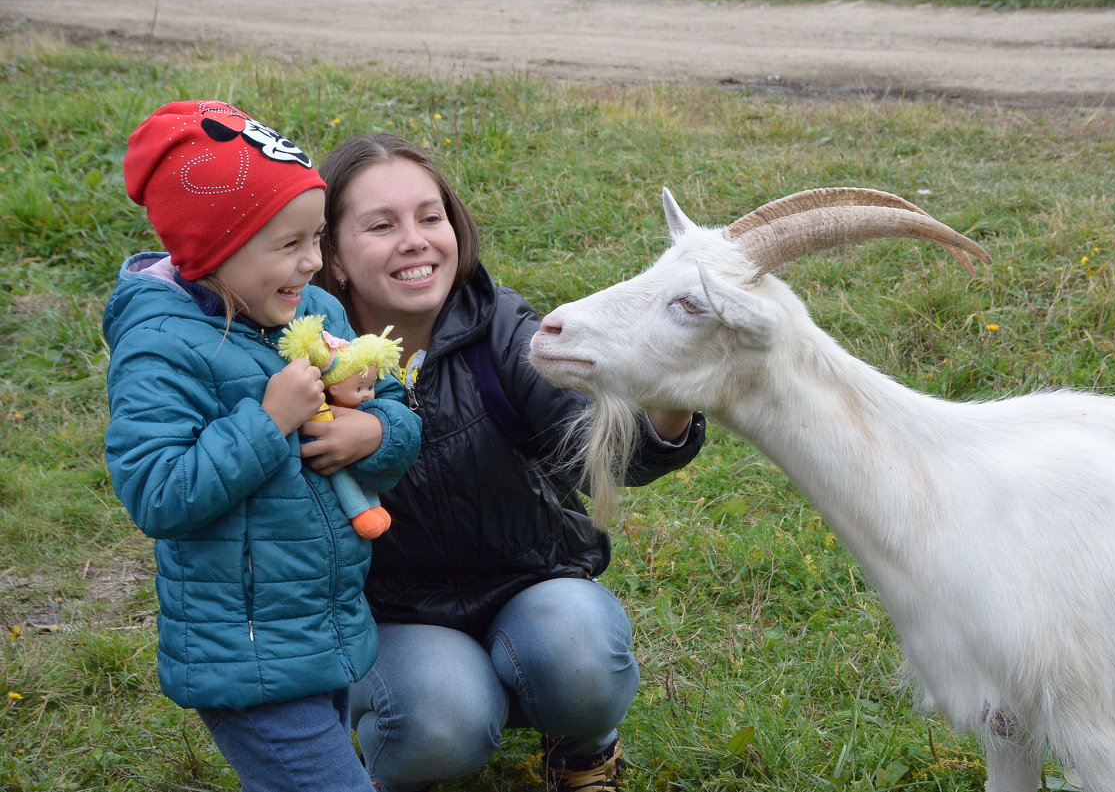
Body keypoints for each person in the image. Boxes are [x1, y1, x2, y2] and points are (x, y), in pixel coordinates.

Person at [314, 133, 706, 792]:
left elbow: (601, 451)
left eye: (429, 216)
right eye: (381, 225)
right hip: (393, 614)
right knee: (441, 721)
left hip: (532, 583)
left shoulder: (499, 325)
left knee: (579, 654)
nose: (414, 240)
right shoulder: (308, 358)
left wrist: (667, 402)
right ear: (335, 257)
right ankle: (414, 739)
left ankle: (583, 750)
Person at [104, 101, 422, 792]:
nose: (313, 261)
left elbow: (397, 421)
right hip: (244, 654)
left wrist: (373, 429)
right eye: (288, 244)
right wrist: (267, 419)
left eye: (316, 238)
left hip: (322, 627)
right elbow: (158, 492)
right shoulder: (161, 345)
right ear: (214, 250)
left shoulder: (313, 309)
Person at [278, 313, 405, 538]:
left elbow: (398, 406)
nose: (368, 395)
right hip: (324, 467)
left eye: (370, 387)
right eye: (360, 389)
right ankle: (359, 512)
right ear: (334, 389)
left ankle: (373, 506)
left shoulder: (326, 307)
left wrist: (379, 426)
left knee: (361, 477)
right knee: (343, 478)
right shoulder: (323, 408)